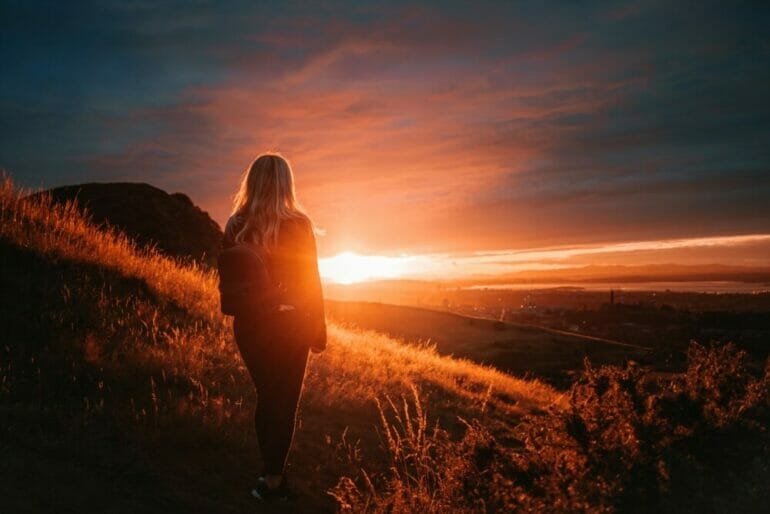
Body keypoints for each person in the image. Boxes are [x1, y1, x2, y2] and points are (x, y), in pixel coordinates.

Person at [220, 153, 327, 502]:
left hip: (250, 327)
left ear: (250, 182)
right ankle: (273, 481)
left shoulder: (235, 224)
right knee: (284, 402)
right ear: (286, 183)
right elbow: (311, 280)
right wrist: (318, 328)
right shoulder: (298, 223)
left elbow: (229, 281)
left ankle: (270, 473)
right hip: (290, 325)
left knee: (268, 398)